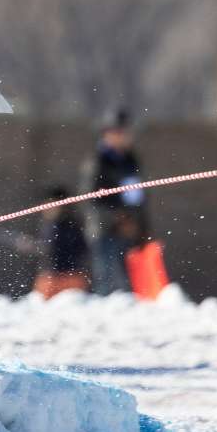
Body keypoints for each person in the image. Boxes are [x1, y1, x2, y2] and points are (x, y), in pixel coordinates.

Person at [82, 109, 144, 295]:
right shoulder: (97, 161)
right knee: (106, 279)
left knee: (129, 282)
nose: (126, 136)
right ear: (109, 134)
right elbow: (89, 198)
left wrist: (139, 225)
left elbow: (138, 195)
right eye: (121, 132)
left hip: (128, 230)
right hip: (104, 230)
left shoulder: (130, 160)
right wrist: (118, 217)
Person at [30, 186, 91, 299]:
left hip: (70, 277)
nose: (48, 209)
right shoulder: (46, 225)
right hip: (49, 277)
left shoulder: (71, 225)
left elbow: (81, 249)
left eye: (52, 205)